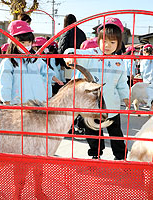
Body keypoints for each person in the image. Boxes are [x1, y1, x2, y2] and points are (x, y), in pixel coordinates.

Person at [64, 17, 130, 160]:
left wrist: (126, 97)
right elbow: (71, 51)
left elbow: (122, 84)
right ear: (98, 40)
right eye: (104, 41)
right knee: (93, 133)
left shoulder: (119, 62)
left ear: (119, 44)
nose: (107, 45)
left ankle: (120, 156)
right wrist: (70, 56)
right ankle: (95, 154)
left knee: (116, 133)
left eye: (112, 42)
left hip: (111, 105)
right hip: (91, 104)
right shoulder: (91, 54)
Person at [0, 20, 56, 105]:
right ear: (13, 42)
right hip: (19, 103)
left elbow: (44, 68)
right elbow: (5, 83)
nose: (27, 45)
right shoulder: (8, 62)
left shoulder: (34, 59)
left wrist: (53, 76)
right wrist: (6, 101)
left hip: (38, 101)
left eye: (29, 42)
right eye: (22, 42)